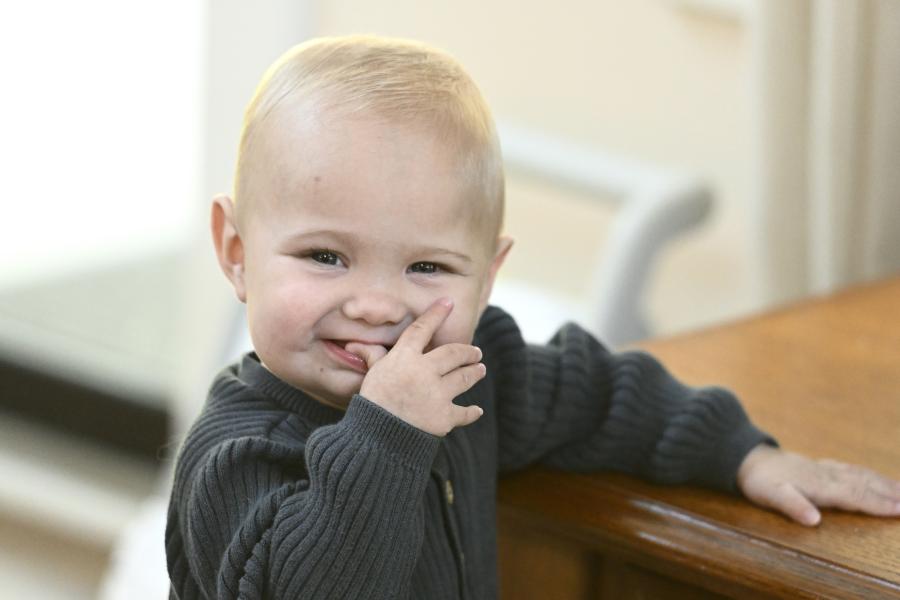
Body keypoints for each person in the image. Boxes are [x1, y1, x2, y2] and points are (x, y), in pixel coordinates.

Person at [165, 35, 900, 600]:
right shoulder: (234, 459)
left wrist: (745, 454)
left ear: (487, 276)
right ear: (236, 251)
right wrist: (386, 434)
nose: (378, 305)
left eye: (426, 267)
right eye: (326, 256)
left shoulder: (471, 375)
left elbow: (601, 396)